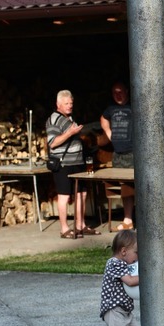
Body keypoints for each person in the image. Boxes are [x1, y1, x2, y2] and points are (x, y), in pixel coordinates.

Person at [46, 89, 100, 239]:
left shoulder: (69, 118)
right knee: (64, 195)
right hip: (63, 164)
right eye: (66, 103)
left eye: (71, 103)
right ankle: (64, 229)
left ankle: (80, 225)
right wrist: (70, 133)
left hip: (77, 162)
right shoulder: (54, 119)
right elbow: (52, 142)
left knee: (81, 193)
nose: (70, 106)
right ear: (58, 104)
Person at [100, 229, 143, 326]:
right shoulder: (114, 263)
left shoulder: (125, 263)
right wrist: (148, 274)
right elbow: (130, 282)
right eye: (136, 252)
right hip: (114, 310)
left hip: (125, 309)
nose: (138, 256)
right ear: (124, 251)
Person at [100, 82, 135, 230]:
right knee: (125, 189)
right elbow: (103, 118)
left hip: (133, 153)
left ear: (126, 91)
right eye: (115, 92)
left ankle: (144, 219)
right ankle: (128, 220)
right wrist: (108, 133)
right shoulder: (111, 109)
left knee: (138, 187)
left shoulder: (134, 106)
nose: (118, 95)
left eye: (120, 92)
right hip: (118, 154)